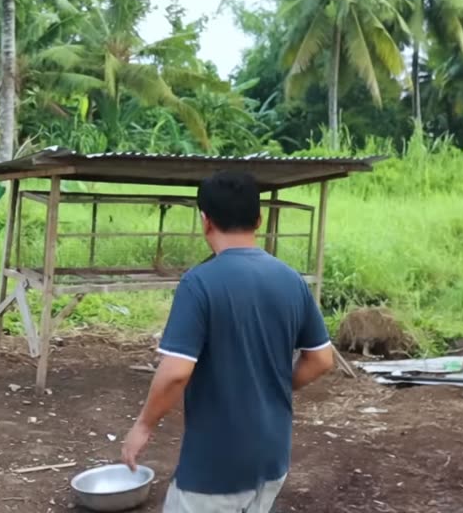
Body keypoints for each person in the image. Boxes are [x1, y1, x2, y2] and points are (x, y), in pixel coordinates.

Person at [120, 170, 336, 513]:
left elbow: (176, 372)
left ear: (205, 221)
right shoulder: (291, 280)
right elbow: (322, 359)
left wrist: (143, 426)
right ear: (259, 218)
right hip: (272, 458)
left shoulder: (199, 283)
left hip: (214, 468)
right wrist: (276, 384)